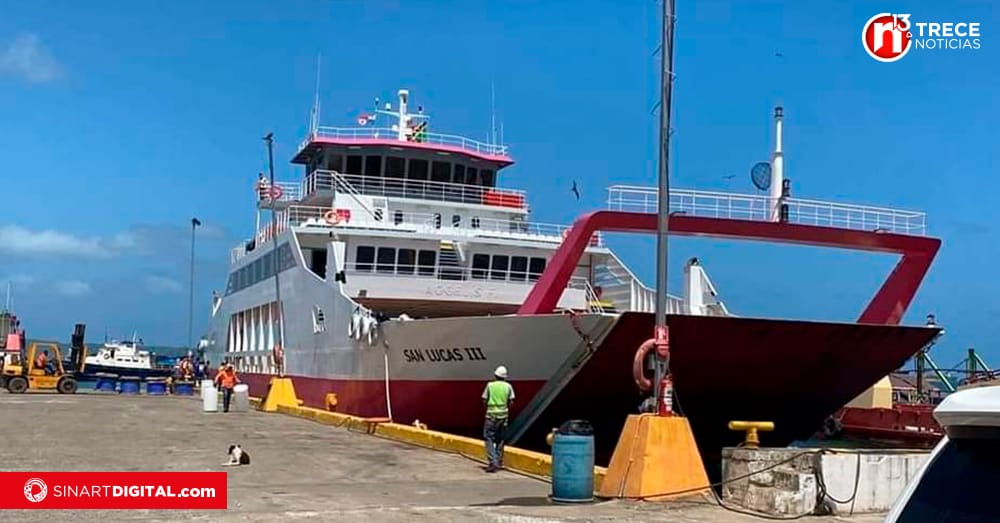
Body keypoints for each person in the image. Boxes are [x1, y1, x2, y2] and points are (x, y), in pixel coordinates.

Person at [482, 365, 515, 473]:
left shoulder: (490, 385)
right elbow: (511, 401)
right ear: (505, 377)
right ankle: (499, 461)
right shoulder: (508, 386)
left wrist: (488, 408)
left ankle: (493, 462)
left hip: (491, 416)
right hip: (503, 417)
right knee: (501, 439)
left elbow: (484, 399)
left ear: (495, 375)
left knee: (489, 437)